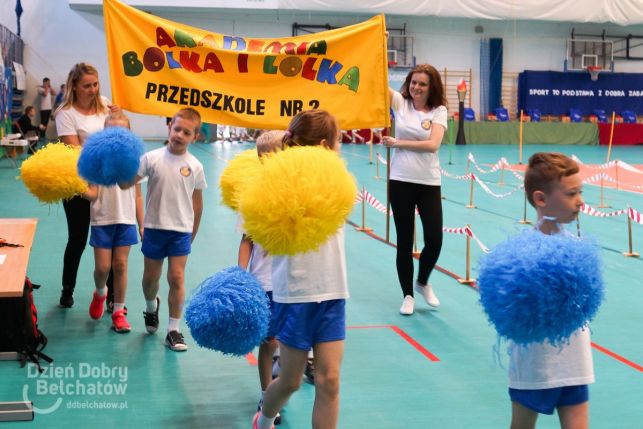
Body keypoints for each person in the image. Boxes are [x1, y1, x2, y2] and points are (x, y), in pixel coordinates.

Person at [254, 109, 348, 429]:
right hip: (295, 292)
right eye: (337, 141)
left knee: (330, 379)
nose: (341, 147)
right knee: (291, 381)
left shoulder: (337, 179)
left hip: (333, 288)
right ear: (324, 145)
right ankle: (265, 418)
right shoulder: (277, 184)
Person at [509, 152, 591, 429]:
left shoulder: (579, 251)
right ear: (541, 199)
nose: (580, 201)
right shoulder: (520, 257)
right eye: (571, 194)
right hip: (535, 364)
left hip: (576, 363)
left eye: (580, 192)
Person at [120, 107, 206, 351]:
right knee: (151, 279)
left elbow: (197, 205)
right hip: (155, 229)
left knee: (176, 277)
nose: (179, 135)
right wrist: (116, 168)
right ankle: (151, 307)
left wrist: (193, 232)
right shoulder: (151, 158)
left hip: (180, 232)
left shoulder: (195, 166)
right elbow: (126, 183)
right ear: (170, 127)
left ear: (194, 137)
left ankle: (173, 330)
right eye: (177, 128)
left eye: (186, 132)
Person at [382, 64, 447, 316]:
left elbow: (433, 145)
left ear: (431, 88)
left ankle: (422, 282)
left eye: (422, 84)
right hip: (400, 181)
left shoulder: (439, 111)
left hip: (429, 183)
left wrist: (398, 142)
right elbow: (377, 84)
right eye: (413, 82)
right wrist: (379, 45)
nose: (416, 87)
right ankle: (407, 294)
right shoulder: (400, 103)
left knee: (434, 240)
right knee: (404, 241)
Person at [55, 63, 119, 308]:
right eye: (86, 85)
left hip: (107, 184)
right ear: (74, 86)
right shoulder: (65, 113)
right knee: (78, 238)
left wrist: (119, 118)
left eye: (95, 84)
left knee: (110, 240)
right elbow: (75, 153)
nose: (92, 89)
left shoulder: (105, 103)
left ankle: (112, 296)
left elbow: (118, 135)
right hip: (78, 184)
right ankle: (67, 288)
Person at [238, 130, 285, 425]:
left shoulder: (300, 189)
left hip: (293, 280)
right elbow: (246, 240)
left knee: (284, 339)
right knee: (268, 341)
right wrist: (241, 276)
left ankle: (282, 369)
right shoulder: (254, 195)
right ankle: (267, 393)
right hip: (265, 280)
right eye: (264, 157)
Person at [81, 112, 144, 332]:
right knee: (102, 268)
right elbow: (93, 193)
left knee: (120, 265)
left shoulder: (135, 161)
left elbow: (137, 195)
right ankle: (100, 293)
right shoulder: (95, 159)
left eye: (122, 131)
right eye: (112, 130)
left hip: (126, 220)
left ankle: (119, 311)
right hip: (102, 219)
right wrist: (76, 187)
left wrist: (142, 222)